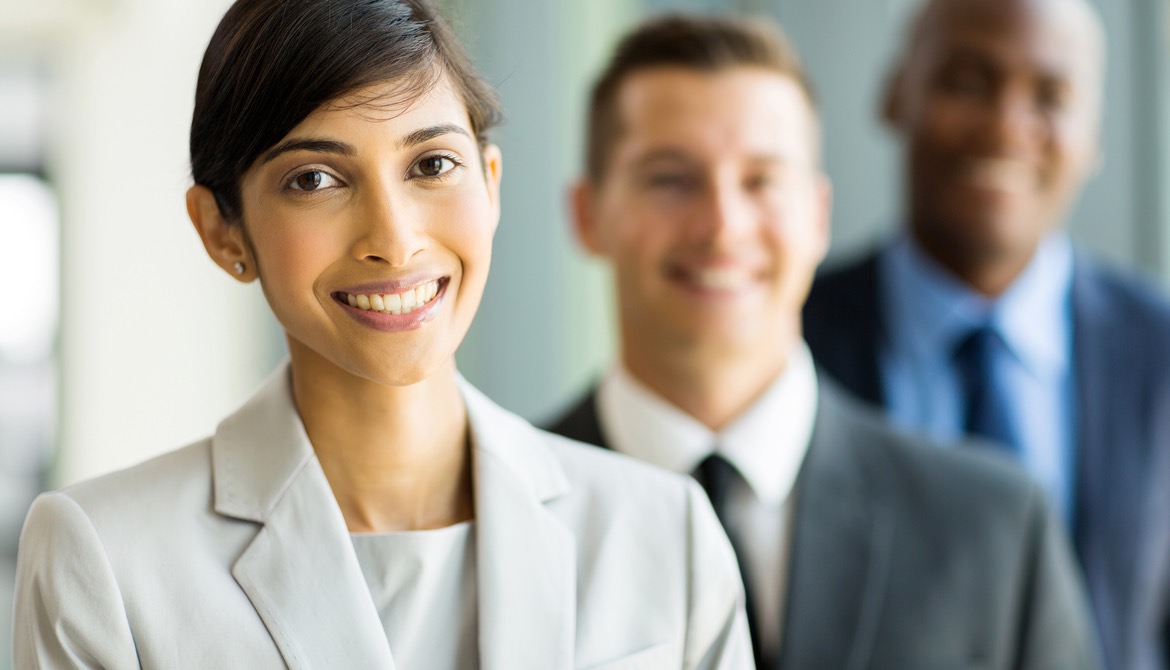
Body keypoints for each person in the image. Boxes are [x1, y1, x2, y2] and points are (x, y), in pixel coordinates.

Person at [12, 1, 753, 668]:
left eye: (432, 164)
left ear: (490, 184)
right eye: (314, 179)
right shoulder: (107, 557)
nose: (394, 242)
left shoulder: (665, 534)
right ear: (222, 229)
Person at [548, 13, 1100, 669]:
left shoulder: (996, 532)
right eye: (671, 178)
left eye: (762, 180)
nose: (723, 226)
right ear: (588, 215)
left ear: (817, 215)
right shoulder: (487, 520)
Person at [801, 0, 1170, 667]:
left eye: (1051, 95)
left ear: (1094, 135)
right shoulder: (793, 338)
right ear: (895, 95)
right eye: (969, 83)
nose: (1006, 126)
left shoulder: (1159, 351)